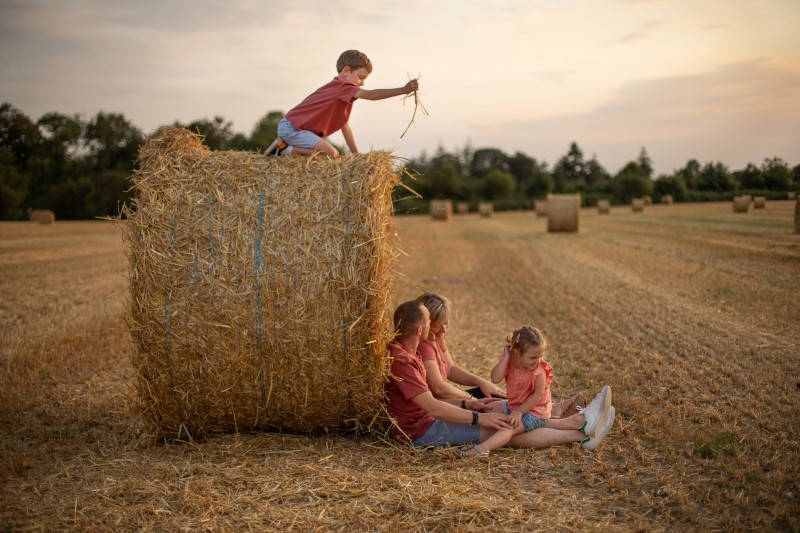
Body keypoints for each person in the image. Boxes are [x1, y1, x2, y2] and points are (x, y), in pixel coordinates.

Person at [385, 301, 614, 451]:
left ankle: (579, 426)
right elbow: (432, 407)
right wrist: (478, 416)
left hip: (427, 420)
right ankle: (579, 430)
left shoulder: (408, 352)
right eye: (428, 322)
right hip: (420, 430)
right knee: (503, 431)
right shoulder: (402, 360)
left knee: (504, 420)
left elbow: (432, 401)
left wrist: (469, 404)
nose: (435, 327)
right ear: (418, 330)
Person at [458, 326, 614, 457]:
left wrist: (518, 412)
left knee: (508, 428)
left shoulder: (538, 370)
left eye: (541, 356)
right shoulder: (511, 361)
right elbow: (494, 378)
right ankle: (579, 422)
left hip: (535, 411)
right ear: (516, 353)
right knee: (489, 408)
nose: (538, 361)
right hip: (516, 405)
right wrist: (506, 358)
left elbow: (537, 395)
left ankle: (480, 449)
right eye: (533, 357)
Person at [267, 49, 418, 158]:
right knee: (331, 154)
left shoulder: (339, 92)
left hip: (294, 127)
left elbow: (345, 127)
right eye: (361, 77)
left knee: (328, 157)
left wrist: (356, 155)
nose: (362, 83)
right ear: (346, 71)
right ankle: (283, 150)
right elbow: (371, 95)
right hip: (293, 128)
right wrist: (403, 90)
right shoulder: (342, 87)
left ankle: (288, 150)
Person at [416, 293, 506, 402]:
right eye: (436, 326)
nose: (443, 330)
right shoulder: (425, 345)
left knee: (498, 397)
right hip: (440, 405)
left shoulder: (437, 338)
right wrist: (472, 400)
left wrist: (481, 382)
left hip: (447, 400)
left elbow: (450, 369)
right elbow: (438, 388)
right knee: (498, 403)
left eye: (446, 323)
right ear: (425, 323)